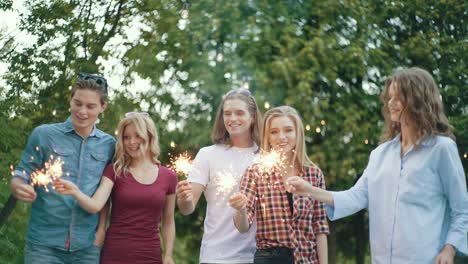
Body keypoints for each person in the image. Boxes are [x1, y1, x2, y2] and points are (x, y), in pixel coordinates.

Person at [287, 67, 468, 263]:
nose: (391, 103)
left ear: (418, 100)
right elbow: (356, 196)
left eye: (398, 97)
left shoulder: (441, 149)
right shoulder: (380, 154)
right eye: (390, 97)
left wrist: (449, 249)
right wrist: (309, 190)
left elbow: (461, 209)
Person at [10, 73, 115, 263]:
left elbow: (106, 195)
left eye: (90, 106)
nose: (82, 111)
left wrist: (100, 232)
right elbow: (20, 175)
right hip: (43, 245)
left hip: (87, 247)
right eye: (78, 103)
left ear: (103, 107)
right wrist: (19, 188)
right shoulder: (44, 134)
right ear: (70, 100)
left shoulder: (109, 145)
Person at [54, 112, 177, 264]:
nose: (131, 142)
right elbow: (95, 205)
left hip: (150, 255)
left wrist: (168, 255)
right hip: (115, 254)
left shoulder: (169, 177)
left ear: (150, 136)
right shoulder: (114, 171)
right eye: (126, 137)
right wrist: (75, 191)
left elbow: (168, 222)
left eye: (137, 135)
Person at [229, 106, 329, 264]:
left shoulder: (313, 174)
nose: (281, 137)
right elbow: (243, 227)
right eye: (274, 132)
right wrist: (241, 209)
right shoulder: (255, 172)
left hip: (307, 259)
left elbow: (320, 227)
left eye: (288, 130)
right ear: (267, 137)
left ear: (297, 134)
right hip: (270, 258)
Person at [176, 88, 263, 264]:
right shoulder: (208, 154)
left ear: (252, 116)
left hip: (255, 256)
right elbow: (187, 208)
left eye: (239, 113)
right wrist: (184, 198)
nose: (232, 119)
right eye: (227, 113)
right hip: (215, 256)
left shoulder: (265, 157)